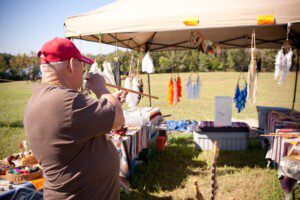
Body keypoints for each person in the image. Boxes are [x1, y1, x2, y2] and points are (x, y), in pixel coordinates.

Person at [24, 37, 127, 200]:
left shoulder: (42, 97)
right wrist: (100, 87)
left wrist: (107, 101)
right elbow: (118, 119)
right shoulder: (67, 101)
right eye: (82, 64)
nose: (84, 70)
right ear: (72, 64)